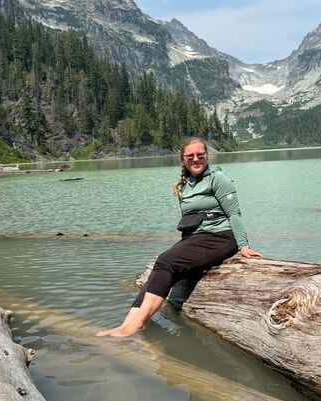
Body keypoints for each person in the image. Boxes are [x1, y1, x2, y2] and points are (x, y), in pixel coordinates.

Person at [97, 137, 262, 337]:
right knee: (162, 265)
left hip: (221, 236)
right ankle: (127, 324)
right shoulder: (186, 184)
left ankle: (137, 325)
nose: (196, 159)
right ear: (183, 159)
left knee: (166, 261)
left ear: (207, 156)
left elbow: (234, 214)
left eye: (200, 155)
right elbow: (191, 220)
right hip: (198, 238)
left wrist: (243, 245)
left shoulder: (218, 178)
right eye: (190, 156)